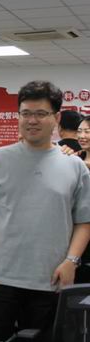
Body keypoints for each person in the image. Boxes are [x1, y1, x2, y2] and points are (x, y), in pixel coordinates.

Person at [0, 81, 90, 342]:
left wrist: (71, 261)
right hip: (0, 278)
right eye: (26, 113)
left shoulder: (75, 167)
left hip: (51, 279)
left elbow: (84, 221)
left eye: (41, 114)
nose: (32, 120)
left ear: (56, 118)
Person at [76, 116, 90, 284]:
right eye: (79, 131)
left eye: (87, 131)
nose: (82, 136)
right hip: (77, 229)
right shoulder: (75, 160)